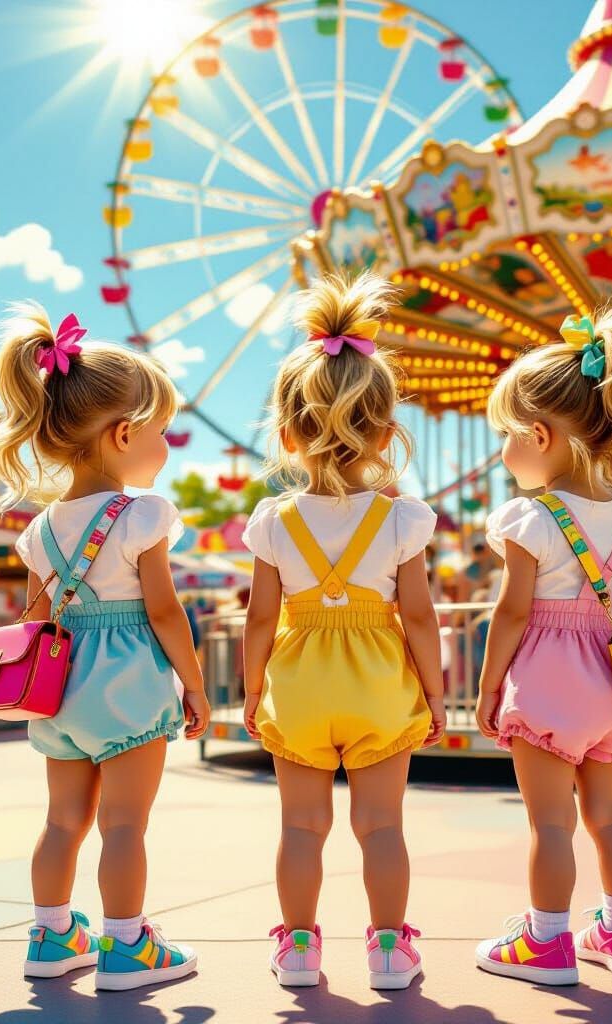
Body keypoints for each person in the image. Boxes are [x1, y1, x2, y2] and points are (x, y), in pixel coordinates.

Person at [0, 303, 210, 991]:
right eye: (162, 431)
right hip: (129, 686)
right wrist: (195, 685)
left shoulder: (40, 529)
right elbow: (166, 613)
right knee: (123, 827)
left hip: (61, 694)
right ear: (123, 434)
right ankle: (126, 946)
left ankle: (51, 935)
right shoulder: (143, 514)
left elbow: (39, 616)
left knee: (62, 822)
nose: (166, 444)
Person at [241, 270, 445, 991]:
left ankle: (298, 949)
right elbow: (418, 614)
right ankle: (389, 950)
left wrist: (250, 689)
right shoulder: (401, 518)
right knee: (381, 827)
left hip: (297, 679)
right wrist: (436, 691)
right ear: (388, 432)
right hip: (379, 679)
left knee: (301, 828)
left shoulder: (273, 521)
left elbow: (261, 614)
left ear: (289, 433)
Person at [473, 304, 612, 985]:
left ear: (538, 434)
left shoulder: (530, 518)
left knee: (550, 826)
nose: (503, 450)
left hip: (552, 684)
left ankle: (547, 943)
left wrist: (489, 685)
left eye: (506, 436)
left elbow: (511, 612)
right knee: (610, 817)